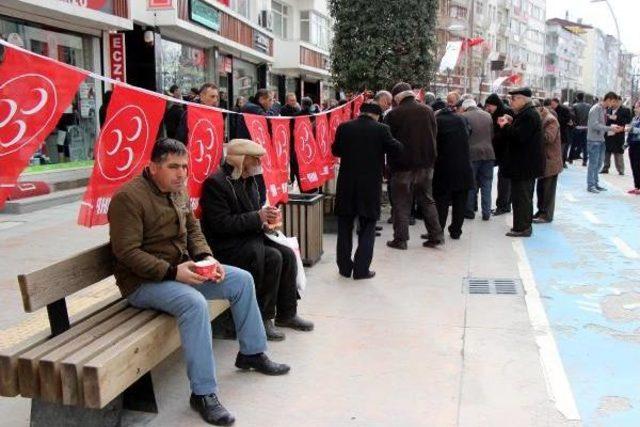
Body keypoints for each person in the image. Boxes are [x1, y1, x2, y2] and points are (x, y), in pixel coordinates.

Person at [108, 138, 290, 426]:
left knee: (241, 280)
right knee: (194, 305)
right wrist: (173, 272)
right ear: (153, 167)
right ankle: (203, 394)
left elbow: (193, 229)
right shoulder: (128, 198)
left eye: (184, 166)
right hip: (143, 283)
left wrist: (207, 258)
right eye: (173, 167)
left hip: (182, 270)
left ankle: (252, 353)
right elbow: (127, 253)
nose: (181, 174)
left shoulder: (177, 192)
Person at [200, 139, 314, 341]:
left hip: (249, 236)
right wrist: (257, 217)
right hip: (227, 245)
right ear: (242, 160)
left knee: (286, 254)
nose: (259, 164)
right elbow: (221, 224)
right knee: (272, 257)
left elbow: (255, 210)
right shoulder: (216, 183)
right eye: (255, 160)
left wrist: (266, 219)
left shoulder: (249, 180)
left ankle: (287, 313)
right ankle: (263, 318)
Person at [333, 102, 402, 279]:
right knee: (368, 226)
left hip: (346, 184)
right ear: (377, 115)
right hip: (369, 186)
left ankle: (344, 267)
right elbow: (396, 148)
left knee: (344, 227)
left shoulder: (344, 127)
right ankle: (361, 269)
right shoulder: (381, 129)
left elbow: (336, 150)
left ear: (361, 112)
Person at [385, 82, 443, 249]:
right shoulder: (428, 110)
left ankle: (401, 240)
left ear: (396, 97)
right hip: (426, 164)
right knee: (427, 200)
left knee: (401, 203)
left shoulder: (393, 114)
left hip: (402, 166)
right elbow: (434, 135)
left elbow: (390, 142)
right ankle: (436, 235)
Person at [497, 87, 545, 237]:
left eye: (514, 98)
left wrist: (505, 126)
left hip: (525, 165)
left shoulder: (529, 115)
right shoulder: (525, 113)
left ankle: (523, 227)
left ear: (522, 99)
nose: (511, 102)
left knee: (522, 198)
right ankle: (521, 226)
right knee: (520, 197)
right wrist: (511, 122)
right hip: (523, 165)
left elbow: (519, 137)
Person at [432, 101, 474, 240]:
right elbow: (469, 133)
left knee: (441, 201)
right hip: (464, 167)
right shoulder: (462, 119)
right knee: (460, 202)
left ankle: (439, 231)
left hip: (444, 167)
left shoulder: (437, 121)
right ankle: (456, 231)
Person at [461, 98, 495, 221]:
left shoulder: (464, 116)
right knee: (487, 184)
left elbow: (463, 136)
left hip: (472, 154)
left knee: (471, 184)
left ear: (465, 107)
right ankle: (486, 213)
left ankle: (469, 211)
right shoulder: (488, 115)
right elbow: (491, 135)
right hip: (488, 153)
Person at [586, 92, 624, 193]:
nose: (613, 104)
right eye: (613, 102)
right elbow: (594, 125)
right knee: (593, 164)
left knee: (599, 163)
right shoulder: (596, 109)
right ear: (609, 100)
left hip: (601, 140)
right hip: (594, 140)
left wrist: (612, 128)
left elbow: (602, 125)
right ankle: (591, 185)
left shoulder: (603, 109)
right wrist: (610, 128)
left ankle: (595, 183)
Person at [533, 101, 563, 223]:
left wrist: (533, 130)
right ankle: (541, 211)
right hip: (543, 160)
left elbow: (548, 138)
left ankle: (546, 215)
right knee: (541, 188)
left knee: (548, 190)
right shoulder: (542, 118)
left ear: (539, 109)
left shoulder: (550, 120)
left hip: (551, 161)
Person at [484, 94, 513, 216]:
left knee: (504, 180)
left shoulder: (504, 114)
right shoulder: (497, 113)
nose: (488, 108)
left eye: (489, 106)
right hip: (502, 151)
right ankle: (504, 205)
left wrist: (493, 138)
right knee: (504, 180)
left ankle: (503, 206)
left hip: (506, 152)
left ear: (495, 104)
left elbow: (504, 133)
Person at [601, 95, 632, 175]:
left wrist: (616, 118)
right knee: (607, 151)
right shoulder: (608, 109)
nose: (614, 103)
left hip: (619, 134)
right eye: (613, 101)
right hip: (608, 133)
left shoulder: (625, 110)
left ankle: (621, 170)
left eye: (616, 101)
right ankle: (605, 167)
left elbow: (628, 121)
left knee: (618, 152)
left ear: (619, 102)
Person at [549, 98, 572, 168]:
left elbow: (568, 119)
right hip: (557, 132)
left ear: (557, 103)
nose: (552, 105)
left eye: (553, 104)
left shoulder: (563, 110)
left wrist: (556, 120)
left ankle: (562, 162)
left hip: (563, 132)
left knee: (562, 149)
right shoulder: (552, 110)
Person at [571, 93, 591, 165]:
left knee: (574, 144)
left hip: (577, 127)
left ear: (577, 98)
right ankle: (585, 161)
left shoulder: (574, 106)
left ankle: (570, 159)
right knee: (584, 145)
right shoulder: (589, 106)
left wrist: (574, 124)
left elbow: (572, 116)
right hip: (586, 127)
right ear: (584, 98)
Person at [626, 101, 640, 194]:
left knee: (638, 165)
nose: (635, 109)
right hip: (633, 144)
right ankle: (637, 186)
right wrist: (626, 143)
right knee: (634, 166)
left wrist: (632, 129)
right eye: (635, 107)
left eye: (637, 107)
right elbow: (630, 129)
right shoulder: (634, 118)